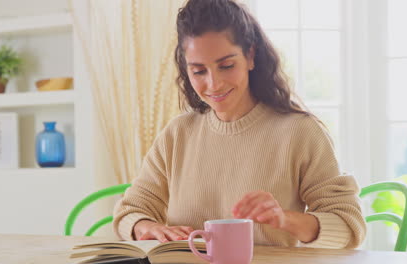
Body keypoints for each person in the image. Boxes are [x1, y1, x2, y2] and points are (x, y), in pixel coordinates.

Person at [113, 0, 366, 249]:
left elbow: (348, 226)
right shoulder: (178, 134)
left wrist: (284, 218)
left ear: (251, 56)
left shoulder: (300, 132)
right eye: (199, 71)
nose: (214, 84)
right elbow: (131, 211)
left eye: (226, 66)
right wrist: (147, 227)